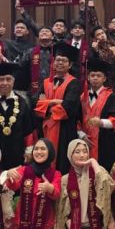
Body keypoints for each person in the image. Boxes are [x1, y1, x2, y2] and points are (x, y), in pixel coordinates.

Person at [54, 139, 114, 229]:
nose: (82, 155)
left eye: (85, 151)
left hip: (93, 228)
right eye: (77, 152)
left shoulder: (98, 172)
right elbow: (61, 211)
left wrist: (93, 162)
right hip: (74, 228)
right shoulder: (65, 180)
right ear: (70, 155)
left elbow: (108, 186)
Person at [2, 138, 62, 229]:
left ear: (50, 152)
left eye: (43, 149)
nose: (39, 152)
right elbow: (13, 186)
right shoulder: (24, 170)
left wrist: (49, 188)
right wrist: (10, 175)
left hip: (43, 222)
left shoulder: (55, 174)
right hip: (23, 221)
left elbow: (57, 193)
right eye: (36, 149)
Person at [35, 42, 83, 174]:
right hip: (45, 128)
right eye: (57, 60)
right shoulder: (46, 82)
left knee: (63, 162)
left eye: (64, 60)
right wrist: (54, 102)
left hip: (65, 130)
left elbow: (69, 107)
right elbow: (35, 102)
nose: (60, 63)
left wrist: (45, 104)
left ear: (70, 65)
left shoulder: (74, 83)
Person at [80, 58, 115, 170]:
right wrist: (81, 135)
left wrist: (101, 122)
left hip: (104, 143)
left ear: (104, 78)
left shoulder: (111, 96)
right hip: (85, 142)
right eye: (92, 75)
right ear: (88, 78)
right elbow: (77, 119)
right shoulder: (82, 97)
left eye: (98, 76)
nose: (95, 78)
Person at [19, 25, 56, 96]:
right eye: (42, 31)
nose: (44, 32)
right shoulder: (30, 52)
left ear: (52, 37)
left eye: (47, 31)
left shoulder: (57, 51)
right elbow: (22, 69)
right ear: (38, 36)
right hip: (34, 90)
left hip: (54, 88)